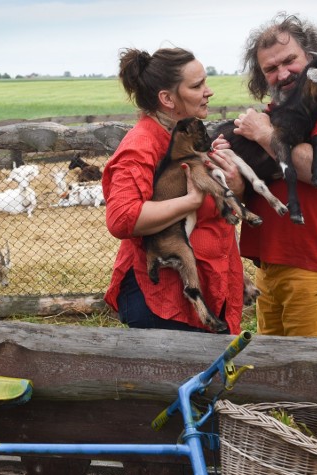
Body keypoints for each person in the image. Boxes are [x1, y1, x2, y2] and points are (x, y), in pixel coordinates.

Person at [222, 12, 317, 338]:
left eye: (290, 61)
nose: (282, 73)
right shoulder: (276, 115)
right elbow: (249, 189)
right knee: (274, 374)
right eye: (270, 69)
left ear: (312, 57)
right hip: (269, 266)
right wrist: (229, 164)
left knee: (309, 376)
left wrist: (262, 134)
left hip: (315, 266)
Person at [102, 47, 247, 334]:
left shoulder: (183, 136)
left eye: (205, 82)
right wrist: (191, 200)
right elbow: (122, 219)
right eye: (197, 86)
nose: (209, 92)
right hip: (165, 302)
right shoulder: (142, 144)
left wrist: (232, 183)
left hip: (206, 287)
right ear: (167, 99)